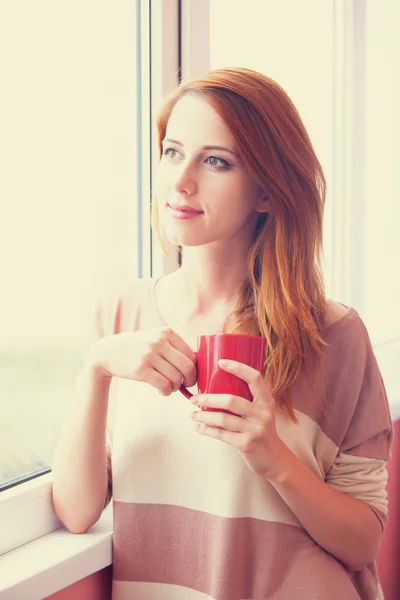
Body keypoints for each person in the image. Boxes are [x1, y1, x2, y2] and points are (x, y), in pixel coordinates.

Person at [51, 67, 392, 600]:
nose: (182, 180)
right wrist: (96, 369)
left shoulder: (334, 335)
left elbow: (362, 543)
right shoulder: (119, 315)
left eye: (216, 161)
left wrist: (274, 458)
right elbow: (75, 511)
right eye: (172, 151)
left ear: (266, 191)